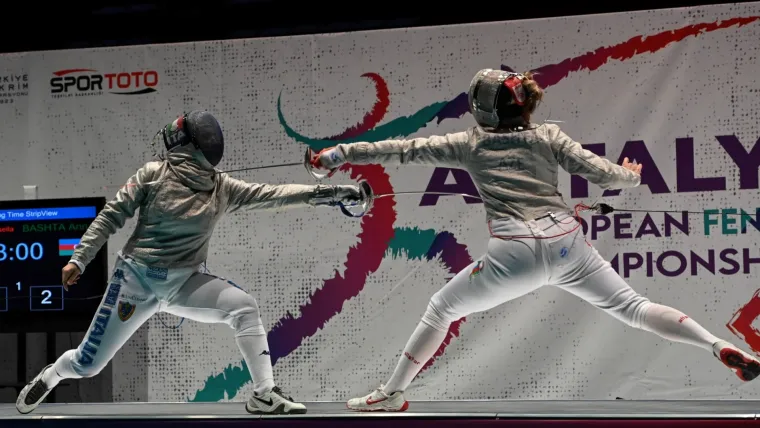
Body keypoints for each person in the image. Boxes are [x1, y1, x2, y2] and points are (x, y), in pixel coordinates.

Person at [310, 69, 760, 412]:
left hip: (515, 253)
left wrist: (337, 155)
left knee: (442, 309)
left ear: (482, 110)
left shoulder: (467, 143)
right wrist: (631, 175)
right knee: (634, 308)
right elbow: (605, 176)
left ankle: (392, 394)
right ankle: (715, 345)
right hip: (568, 244)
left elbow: (399, 149)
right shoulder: (549, 136)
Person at [16, 110, 366, 415]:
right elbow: (111, 215)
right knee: (86, 365)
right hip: (135, 281)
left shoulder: (222, 187)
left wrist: (332, 194)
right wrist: (80, 257)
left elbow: (273, 195)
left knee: (244, 308)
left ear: (185, 144)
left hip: (184, 283)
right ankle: (52, 375)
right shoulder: (151, 174)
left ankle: (264, 395)